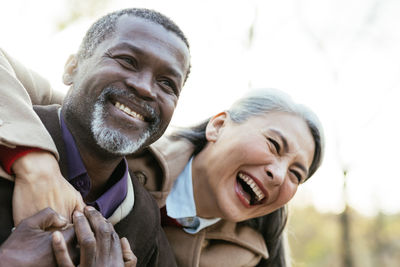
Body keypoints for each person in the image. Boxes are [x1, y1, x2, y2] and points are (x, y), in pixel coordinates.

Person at [0, 7, 191, 266]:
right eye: (127, 60)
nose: (145, 87)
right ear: (72, 68)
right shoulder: (10, 137)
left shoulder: (145, 224)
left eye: (167, 83)